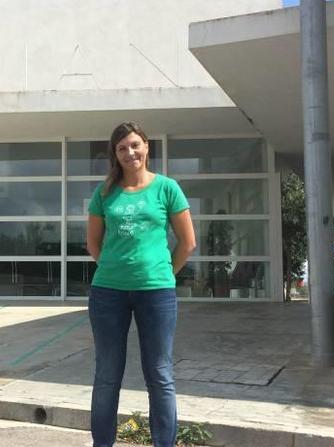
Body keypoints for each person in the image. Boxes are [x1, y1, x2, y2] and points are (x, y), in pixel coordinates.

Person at [86, 121, 196, 447]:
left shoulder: (167, 188)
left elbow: (187, 243)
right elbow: (94, 244)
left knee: (160, 375)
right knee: (107, 376)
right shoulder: (104, 193)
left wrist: (161, 273)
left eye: (135, 145)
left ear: (147, 147)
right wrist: (115, 269)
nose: (129, 152)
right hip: (108, 294)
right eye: (122, 147)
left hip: (156, 294)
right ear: (115, 154)